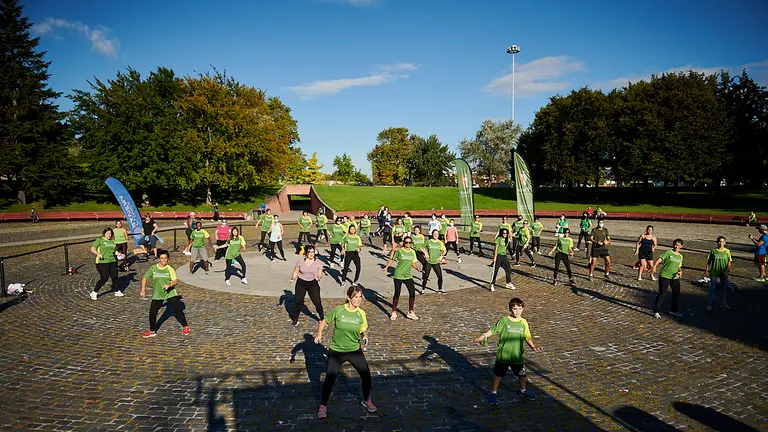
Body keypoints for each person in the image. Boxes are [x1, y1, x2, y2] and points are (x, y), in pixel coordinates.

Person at [314, 286, 376, 418]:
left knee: (366, 376)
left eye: (360, 297)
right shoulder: (339, 310)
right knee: (330, 379)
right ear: (349, 298)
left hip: (354, 350)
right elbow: (324, 321)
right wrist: (319, 334)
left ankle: (366, 400)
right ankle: (323, 405)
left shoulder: (361, 313)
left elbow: (362, 328)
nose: (359, 300)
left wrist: (364, 335)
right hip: (337, 351)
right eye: (356, 297)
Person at [472, 297, 542, 405]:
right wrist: (482, 337)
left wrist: (533, 347)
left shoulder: (524, 322)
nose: (517, 311)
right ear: (510, 309)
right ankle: (494, 393)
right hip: (503, 355)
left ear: (523, 309)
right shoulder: (504, 321)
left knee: (522, 375)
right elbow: (493, 330)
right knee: (498, 375)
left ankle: (523, 390)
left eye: (519, 308)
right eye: (515, 308)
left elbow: (527, 337)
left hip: (517, 356)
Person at [140, 251, 190, 338]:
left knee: (177, 311)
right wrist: (143, 289)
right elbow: (145, 278)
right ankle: (152, 331)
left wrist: (169, 285)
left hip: (170, 293)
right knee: (152, 313)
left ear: (168, 259)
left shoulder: (170, 269)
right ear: (159, 259)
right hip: (158, 294)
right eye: (162, 258)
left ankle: (185, 326)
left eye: (165, 258)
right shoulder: (153, 268)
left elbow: (175, 281)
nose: (163, 260)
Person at [383, 236, 422, 320]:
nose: (408, 244)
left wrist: (417, 268)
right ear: (404, 243)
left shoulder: (412, 252)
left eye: (409, 242)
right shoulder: (399, 251)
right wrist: (386, 267)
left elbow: (413, 262)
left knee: (412, 293)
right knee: (397, 293)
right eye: (406, 242)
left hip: (408, 275)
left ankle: (411, 312)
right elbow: (392, 259)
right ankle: (393, 312)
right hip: (398, 275)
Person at [289, 244, 324, 326]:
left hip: (312, 284)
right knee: (298, 302)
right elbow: (296, 271)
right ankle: (295, 319)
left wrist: (319, 276)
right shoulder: (300, 262)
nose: (311, 254)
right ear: (305, 253)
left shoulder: (318, 263)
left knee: (317, 302)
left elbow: (320, 273)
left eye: (313, 252)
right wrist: (293, 278)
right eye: (309, 252)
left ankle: (322, 318)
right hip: (301, 283)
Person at [651, 239, 685, 318]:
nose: (676, 246)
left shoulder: (680, 256)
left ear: (681, 246)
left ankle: (673, 310)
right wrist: (654, 266)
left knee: (676, 294)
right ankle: (656, 311)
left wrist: (680, 271)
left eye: (678, 245)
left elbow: (679, 267)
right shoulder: (668, 253)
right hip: (665, 276)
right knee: (662, 293)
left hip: (674, 277)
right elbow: (659, 259)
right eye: (675, 244)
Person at [89, 227, 122, 300]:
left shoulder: (112, 241)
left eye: (110, 233)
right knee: (104, 277)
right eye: (107, 233)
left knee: (115, 277)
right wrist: (98, 253)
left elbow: (113, 251)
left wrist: (119, 254)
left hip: (112, 261)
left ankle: (116, 290)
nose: (109, 235)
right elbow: (92, 249)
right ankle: (94, 292)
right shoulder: (99, 240)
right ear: (104, 234)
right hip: (102, 262)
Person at [703, 236, 732, 312]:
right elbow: (709, 261)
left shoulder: (727, 251)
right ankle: (708, 304)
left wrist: (728, 270)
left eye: (722, 241)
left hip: (723, 272)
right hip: (714, 271)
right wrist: (706, 270)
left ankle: (723, 303)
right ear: (717, 242)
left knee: (724, 288)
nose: (721, 243)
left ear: (725, 242)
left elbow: (729, 261)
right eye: (719, 241)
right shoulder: (713, 251)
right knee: (712, 288)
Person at [422, 230, 447, 294]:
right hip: (428, 261)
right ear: (432, 234)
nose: (436, 235)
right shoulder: (428, 241)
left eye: (437, 234)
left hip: (436, 262)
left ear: (438, 235)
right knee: (426, 276)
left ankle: (440, 288)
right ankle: (423, 289)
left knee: (440, 276)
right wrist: (426, 253)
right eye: (434, 234)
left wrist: (441, 256)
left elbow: (444, 250)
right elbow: (422, 247)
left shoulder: (440, 242)